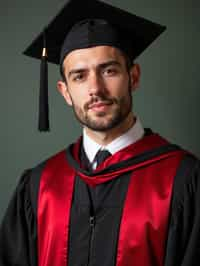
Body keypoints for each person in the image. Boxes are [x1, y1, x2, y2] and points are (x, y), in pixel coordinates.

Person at [0, 1, 200, 266]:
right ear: (65, 92)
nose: (95, 88)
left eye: (109, 70)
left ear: (134, 77)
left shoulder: (184, 180)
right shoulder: (40, 186)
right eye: (79, 76)